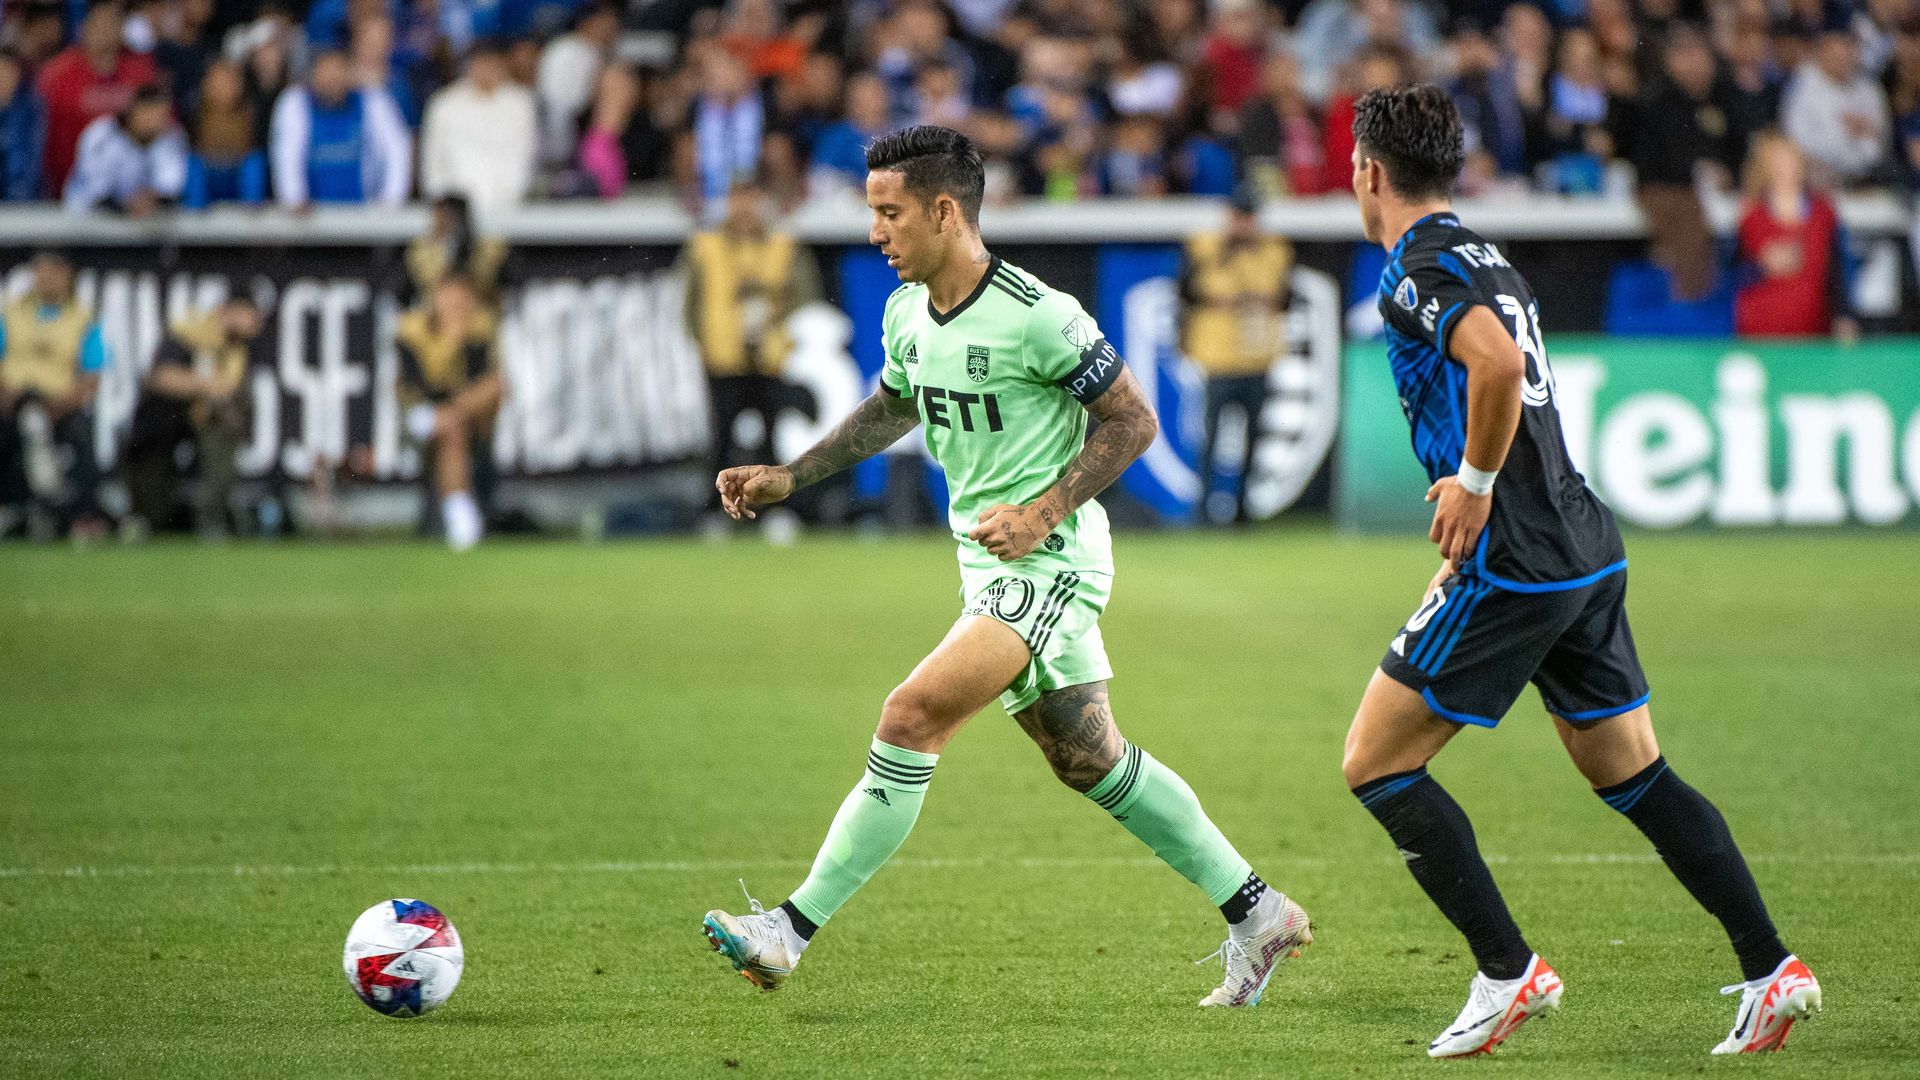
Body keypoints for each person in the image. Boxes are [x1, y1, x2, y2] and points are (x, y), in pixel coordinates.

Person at [700, 127, 1312, 1006]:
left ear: (945, 211)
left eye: (889, 212)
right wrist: (793, 474)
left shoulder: (1039, 314)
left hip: (1053, 558)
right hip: (988, 564)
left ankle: (787, 932)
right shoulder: (907, 310)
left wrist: (1043, 512)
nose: (875, 231)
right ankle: (1259, 913)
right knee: (1088, 758)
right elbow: (892, 406)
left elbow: (1133, 421)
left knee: (910, 717)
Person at [1343, 84, 1820, 1058]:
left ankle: (1508, 973)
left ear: (1370, 174)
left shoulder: (1416, 269)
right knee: (1631, 769)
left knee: (1377, 763)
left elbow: (1496, 368)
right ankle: (1774, 969)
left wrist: (1472, 482)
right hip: (1583, 548)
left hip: (1512, 559)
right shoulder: (1486, 254)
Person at [679, 177, 822, 517]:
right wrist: (701, 344)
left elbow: (806, 300)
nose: (744, 207)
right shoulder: (705, 245)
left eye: (751, 198)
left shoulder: (784, 245)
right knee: (721, 442)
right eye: (737, 198)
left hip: (773, 360)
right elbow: (690, 305)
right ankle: (716, 514)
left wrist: (786, 336)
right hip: (723, 360)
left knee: (774, 444)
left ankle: (776, 514)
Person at [1179, 187, 1291, 524]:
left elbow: (1286, 298)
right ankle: (1204, 509)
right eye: (1239, 215)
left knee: (1253, 438)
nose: (1244, 223)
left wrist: (1257, 301)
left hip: (1258, 357)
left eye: (1249, 216)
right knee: (1212, 437)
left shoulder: (1274, 250)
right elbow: (1184, 293)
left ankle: (1243, 508)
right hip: (1218, 359)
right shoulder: (1205, 247)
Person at [123, 294, 264, 535]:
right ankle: (147, 518)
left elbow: (229, 391)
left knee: (222, 447)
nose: (255, 324)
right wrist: (207, 387)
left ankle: (211, 522)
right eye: (249, 315)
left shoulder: (237, 350)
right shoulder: (189, 332)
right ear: (228, 310)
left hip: (203, 419)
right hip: (163, 418)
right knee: (155, 500)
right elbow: (161, 377)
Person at [0, 252, 109, 540]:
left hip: (59, 405)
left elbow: (91, 375)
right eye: (40, 273)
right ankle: (14, 507)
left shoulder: (83, 319)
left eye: (52, 274)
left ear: (67, 277)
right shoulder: (10, 314)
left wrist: (60, 406)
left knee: (82, 434)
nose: (45, 280)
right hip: (10, 401)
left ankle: (83, 515)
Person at [396, 273, 503, 552]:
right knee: (448, 425)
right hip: (418, 417)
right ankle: (461, 519)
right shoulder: (413, 330)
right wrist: (449, 345)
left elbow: (486, 384)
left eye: (464, 298)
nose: (458, 304)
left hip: (459, 419)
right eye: (451, 296)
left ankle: (460, 517)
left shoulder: (480, 333)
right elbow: (419, 388)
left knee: (454, 427)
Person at [1733, 131, 1856, 339]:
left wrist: (1844, 316)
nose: (1785, 168)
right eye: (1777, 162)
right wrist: (1761, 266)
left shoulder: (1823, 213)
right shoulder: (1751, 216)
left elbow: (1838, 270)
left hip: (1813, 331)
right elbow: (1732, 276)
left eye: (1789, 159)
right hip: (1761, 333)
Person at [35, 3, 158, 197]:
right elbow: (45, 139)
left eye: (113, 23)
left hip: (133, 194)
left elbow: (161, 130)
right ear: (83, 27)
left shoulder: (141, 71)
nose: (106, 31)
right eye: (100, 24)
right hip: (69, 191)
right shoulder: (57, 75)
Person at [268, 49, 412, 209]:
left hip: (365, 214)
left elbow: (397, 149)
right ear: (313, 74)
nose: (333, 78)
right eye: (326, 70)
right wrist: (294, 198)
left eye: (338, 69)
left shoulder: (373, 101)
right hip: (311, 218)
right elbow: (287, 155)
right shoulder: (295, 104)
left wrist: (390, 201)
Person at [420, 40, 538, 216]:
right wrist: (443, 204)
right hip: (455, 209)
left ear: (502, 65)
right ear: (469, 66)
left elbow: (525, 157)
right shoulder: (444, 104)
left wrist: (508, 201)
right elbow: (432, 164)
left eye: (492, 63)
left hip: (507, 207)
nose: (486, 69)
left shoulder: (520, 104)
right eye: (481, 63)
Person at [1780, 23, 1891, 185]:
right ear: (1822, 53)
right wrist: (1847, 135)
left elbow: (1880, 137)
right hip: (1815, 175)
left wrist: (1863, 132)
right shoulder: (1803, 85)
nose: (1843, 61)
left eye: (1848, 54)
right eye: (1836, 56)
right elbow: (1794, 138)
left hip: (1866, 176)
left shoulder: (1868, 89)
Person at [63, 86, 189, 215]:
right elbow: (97, 193)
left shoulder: (171, 138)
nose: (154, 121)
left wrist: (152, 200)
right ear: (132, 111)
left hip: (143, 221)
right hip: (87, 219)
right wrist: (129, 205)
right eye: (147, 112)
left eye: (160, 115)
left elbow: (172, 189)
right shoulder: (102, 135)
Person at [404, 194, 511, 308]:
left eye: (449, 216)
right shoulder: (420, 249)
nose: (443, 221)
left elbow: (493, 255)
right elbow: (425, 275)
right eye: (439, 216)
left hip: (475, 300)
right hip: (437, 302)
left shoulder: (485, 248)